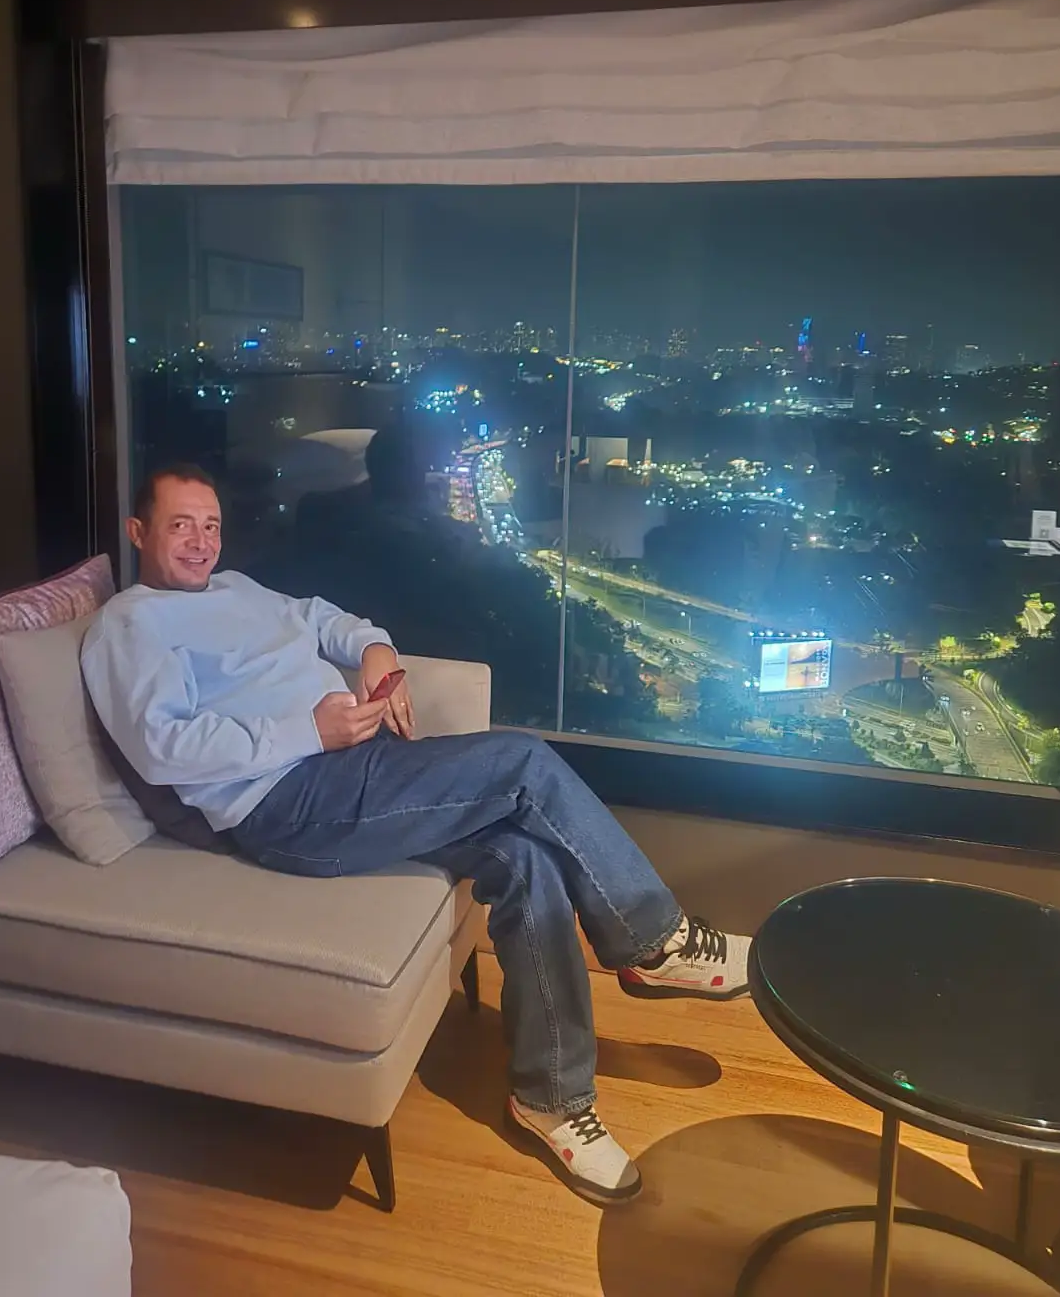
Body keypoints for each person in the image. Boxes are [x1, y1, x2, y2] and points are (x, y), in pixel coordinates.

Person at [83, 462, 752, 1207]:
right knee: (524, 763)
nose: (201, 542)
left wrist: (375, 648)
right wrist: (307, 730)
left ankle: (553, 1100)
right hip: (285, 801)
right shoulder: (129, 625)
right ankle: (656, 943)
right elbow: (164, 748)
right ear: (138, 530)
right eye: (181, 525)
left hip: (351, 767)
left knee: (522, 858)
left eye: (210, 525)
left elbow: (319, 617)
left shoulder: (235, 588)